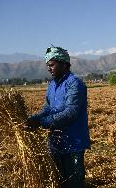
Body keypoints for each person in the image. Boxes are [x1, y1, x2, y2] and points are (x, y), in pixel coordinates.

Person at [24, 46, 90, 188]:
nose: (49, 68)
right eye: (48, 65)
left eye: (52, 65)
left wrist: (41, 123)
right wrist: (33, 119)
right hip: (56, 143)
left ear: (64, 64)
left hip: (73, 142)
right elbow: (47, 108)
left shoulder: (75, 84)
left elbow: (70, 112)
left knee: (74, 182)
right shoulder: (52, 85)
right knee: (59, 181)